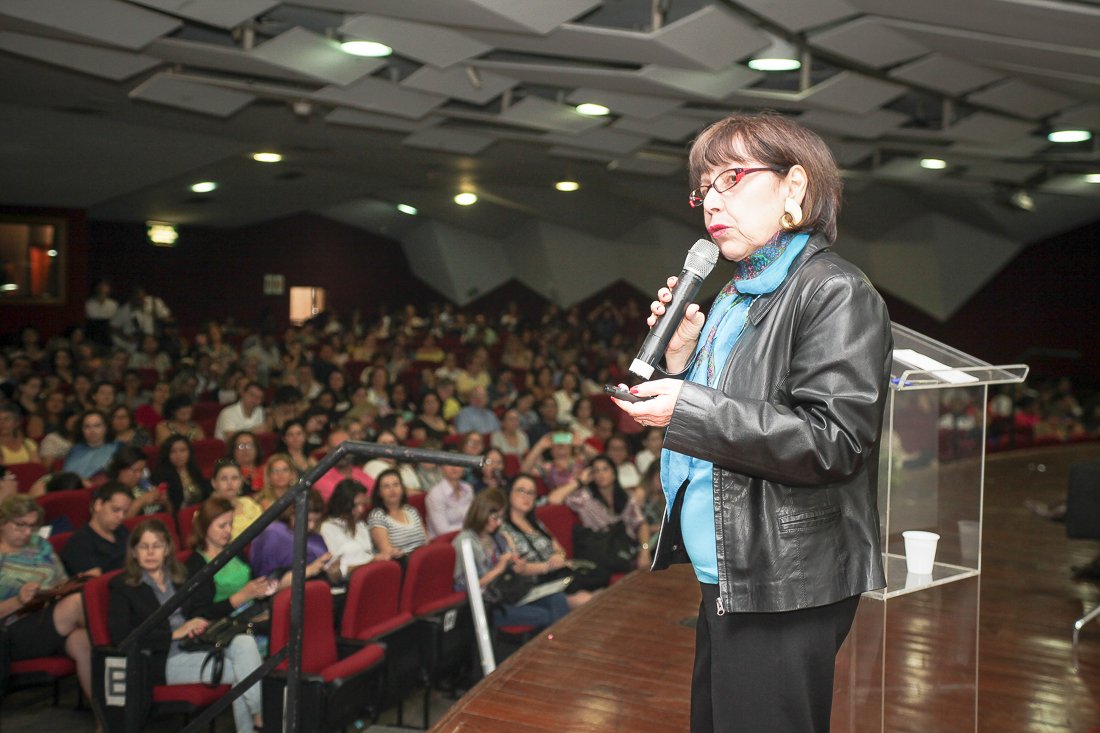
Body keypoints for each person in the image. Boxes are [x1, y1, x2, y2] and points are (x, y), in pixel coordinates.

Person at [609, 113, 891, 733]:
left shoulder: (835, 290)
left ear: (795, 187)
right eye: (704, 187)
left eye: (731, 178)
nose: (712, 200)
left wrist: (685, 406)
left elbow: (833, 442)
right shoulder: (739, 291)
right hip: (735, 568)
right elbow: (739, 408)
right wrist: (683, 361)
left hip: (786, 578)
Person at [108, 519, 264, 733]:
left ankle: (258, 719)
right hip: (161, 659)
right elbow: (121, 638)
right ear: (134, 552)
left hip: (196, 644)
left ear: (167, 550)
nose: (151, 552)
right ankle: (260, 720)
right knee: (245, 671)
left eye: (157, 546)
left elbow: (199, 610)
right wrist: (173, 634)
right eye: (144, 546)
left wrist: (198, 621)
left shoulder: (179, 577)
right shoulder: (123, 587)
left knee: (245, 643)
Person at [0, 495, 94, 706]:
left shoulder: (40, 545)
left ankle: (107, 722)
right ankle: (131, 647)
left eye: (32, 526)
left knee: (82, 641)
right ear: (2, 521)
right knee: (78, 604)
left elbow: (61, 580)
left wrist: (63, 588)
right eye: (20, 525)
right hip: (11, 631)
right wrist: (19, 600)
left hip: (50, 616)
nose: (27, 533)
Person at [452, 489, 569, 631]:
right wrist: (498, 570)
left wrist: (513, 552)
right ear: (482, 512)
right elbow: (464, 585)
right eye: (495, 517)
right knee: (545, 615)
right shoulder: (465, 541)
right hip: (490, 604)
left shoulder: (496, 536)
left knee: (557, 598)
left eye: (501, 518)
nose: (499, 522)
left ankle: (561, 644)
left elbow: (513, 567)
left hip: (510, 593)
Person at [500, 474, 594, 609]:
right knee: (586, 600)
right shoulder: (504, 530)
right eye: (521, 491)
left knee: (598, 591)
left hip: (555, 579)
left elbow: (559, 549)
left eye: (531, 493)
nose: (527, 496)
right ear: (509, 493)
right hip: (531, 588)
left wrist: (558, 556)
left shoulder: (535, 523)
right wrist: (547, 566)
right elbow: (518, 569)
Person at [184, 497, 276, 620]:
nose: (228, 530)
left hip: (253, 613)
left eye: (230, 524)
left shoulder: (234, 550)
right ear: (204, 526)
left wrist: (262, 589)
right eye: (222, 526)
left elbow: (252, 583)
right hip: (225, 625)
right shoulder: (196, 563)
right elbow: (201, 613)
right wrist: (241, 597)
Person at [248, 488, 333, 580]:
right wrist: (309, 570)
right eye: (307, 520)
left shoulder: (316, 538)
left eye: (316, 521)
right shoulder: (273, 534)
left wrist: (334, 572)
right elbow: (264, 582)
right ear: (291, 513)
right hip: (284, 590)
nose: (312, 526)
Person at [319, 479, 390, 582]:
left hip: (368, 578)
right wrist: (371, 562)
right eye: (356, 505)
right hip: (346, 585)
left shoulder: (360, 524)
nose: (361, 509)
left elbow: (367, 553)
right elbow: (336, 571)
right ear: (343, 503)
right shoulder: (328, 527)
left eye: (363, 504)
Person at [59, 481, 132, 576]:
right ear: (98, 505)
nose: (121, 516)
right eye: (116, 510)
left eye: (125, 512)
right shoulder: (79, 542)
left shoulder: (123, 531)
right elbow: (94, 583)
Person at [367, 468, 427, 558]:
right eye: (386, 486)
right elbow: (387, 552)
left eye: (396, 485)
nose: (392, 490)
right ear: (379, 493)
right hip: (401, 565)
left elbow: (426, 540)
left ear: (402, 488)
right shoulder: (377, 516)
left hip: (422, 559)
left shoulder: (411, 510)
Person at [208, 458, 263, 540]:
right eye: (224, 479)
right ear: (214, 483)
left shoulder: (249, 503)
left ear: (241, 481)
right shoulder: (207, 512)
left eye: (234, 478)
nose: (229, 483)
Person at [151, 436, 209, 512]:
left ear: (189, 452)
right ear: (167, 454)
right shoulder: (160, 475)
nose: (178, 455)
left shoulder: (195, 470)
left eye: (183, 450)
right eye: (173, 451)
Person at [425, 455, 474, 539]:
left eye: (458, 463)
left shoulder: (468, 488)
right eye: (449, 464)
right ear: (441, 468)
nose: (454, 468)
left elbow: (474, 517)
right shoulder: (435, 494)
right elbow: (443, 531)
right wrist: (470, 529)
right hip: (445, 543)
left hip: (468, 537)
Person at [62, 409, 119, 480]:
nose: (92, 430)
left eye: (97, 426)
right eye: (87, 426)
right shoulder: (75, 450)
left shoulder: (117, 448)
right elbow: (66, 476)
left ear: (106, 428)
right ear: (81, 430)